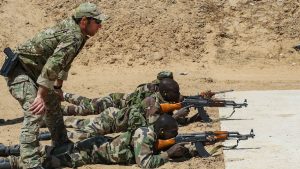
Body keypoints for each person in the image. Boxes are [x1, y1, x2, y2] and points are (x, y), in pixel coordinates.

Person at [1, 2, 106, 168]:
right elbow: (52, 66)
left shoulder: (78, 33)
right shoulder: (74, 36)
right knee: (35, 110)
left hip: (36, 72)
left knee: (53, 105)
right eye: (98, 23)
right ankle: (30, 162)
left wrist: (57, 88)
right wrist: (40, 96)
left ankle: (61, 143)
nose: (100, 27)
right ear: (84, 21)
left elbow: (64, 63)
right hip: (20, 72)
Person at [0, 114, 193, 168]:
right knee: (51, 160)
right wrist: (168, 154)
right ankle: (8, 160)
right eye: (170, 134)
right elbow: (145, 163)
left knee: (50, 152)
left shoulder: (150, 132)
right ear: (160, 131)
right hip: (91, 152)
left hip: (97, 146)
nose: (171, 137)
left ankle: (7, 150)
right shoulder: (146, 136)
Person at [64, 78, 199, 139]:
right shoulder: (152, 102)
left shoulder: (164, 101)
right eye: (175, 93)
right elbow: (154, 126)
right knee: (84, 116)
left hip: (116, 116)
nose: (178, 95)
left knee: (81, 121)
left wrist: (192, 116)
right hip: (114, 109)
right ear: (165, 93)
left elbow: (167, 123)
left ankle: (52, 119)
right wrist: (176, 116)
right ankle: (56, 115)